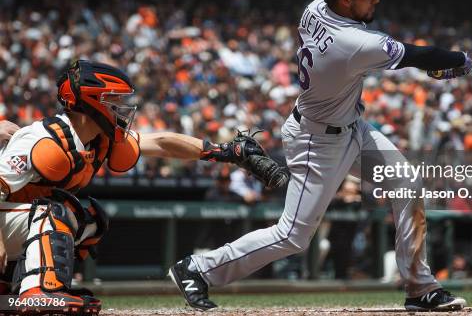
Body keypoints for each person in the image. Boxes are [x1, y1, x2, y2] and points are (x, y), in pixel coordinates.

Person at [170, 0, 472, 311]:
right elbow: (418, 54)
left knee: (406, 182)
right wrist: (456, 60)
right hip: (318, 142)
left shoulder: (315, 8)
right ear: (345, 0)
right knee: (292, 236)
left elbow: (405, 58)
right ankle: (197, 268)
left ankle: (420, 289)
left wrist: (431, 64)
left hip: (351, 127)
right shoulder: (354, 42)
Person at [0, 60, 281, 315]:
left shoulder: (98, 139)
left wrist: (223, 151)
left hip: (16, 220)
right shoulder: (40, 137)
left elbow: (160, 143)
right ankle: (40, 292)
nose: (119, 107)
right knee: (54, 213)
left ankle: (15, 286)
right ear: (90, 102)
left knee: (89, 218)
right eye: (111, 99)